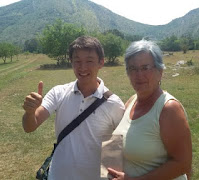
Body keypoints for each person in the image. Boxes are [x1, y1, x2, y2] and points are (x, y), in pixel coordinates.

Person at [22, 36, 125, 180]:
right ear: (71, 62)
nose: (82, 67)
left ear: (101, 62)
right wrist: (30, 112)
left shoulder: (114, 104)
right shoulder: (59, 93)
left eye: (89, 61)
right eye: (77, 61)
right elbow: (30, 127)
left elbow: (116, 151)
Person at [108, 40, 192, 180]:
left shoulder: (168, 109)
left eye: (145, 68)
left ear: (160, 72)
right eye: (132, 68)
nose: (139, 75)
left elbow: (183, 163)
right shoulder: (131, 101)